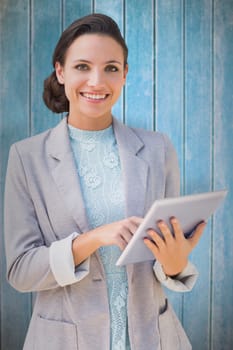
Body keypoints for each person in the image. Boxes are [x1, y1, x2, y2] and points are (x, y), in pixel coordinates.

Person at [4, 13, 206, 350]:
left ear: (124, 74)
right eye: (82, 66)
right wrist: (94, 238)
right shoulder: (26, 158)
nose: (97, 81)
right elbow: (21, 271)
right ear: (60, 71)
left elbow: (168, 262)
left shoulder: (158, 149)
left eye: (111, 68)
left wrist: (175, 264)